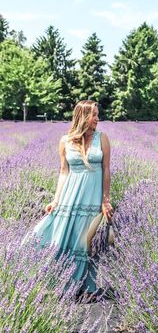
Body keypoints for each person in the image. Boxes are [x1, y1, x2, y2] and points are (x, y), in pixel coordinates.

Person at [21, 100, 113, 301]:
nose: (97, 118)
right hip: (70, 198)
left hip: (93, 199)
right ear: (82, 117)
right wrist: (55, 200)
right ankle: (61, 284)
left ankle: (87, 286)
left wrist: (105, 200)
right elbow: (63, 172)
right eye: (94, 115)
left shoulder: (102, 138)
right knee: (62, 237)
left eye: (98, 114)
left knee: (88, 242)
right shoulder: (65, 141)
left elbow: (106, 170)